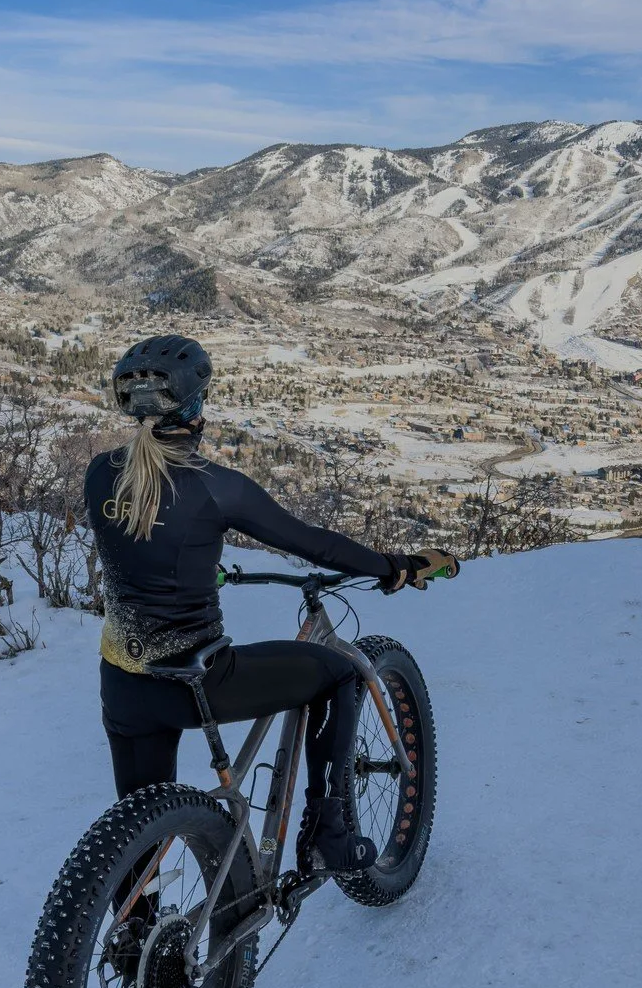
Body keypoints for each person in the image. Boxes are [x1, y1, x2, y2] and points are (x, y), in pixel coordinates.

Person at [85, 333, 457, 875]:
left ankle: (131, 939)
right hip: (199, 684)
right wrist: (396, 565)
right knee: (341, 672)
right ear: (195, 405)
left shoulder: (99, 473)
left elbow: (143, 546)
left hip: (123, 686)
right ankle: (328, 832)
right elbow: (314, 543)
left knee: (135, 838)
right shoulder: (215, 487)